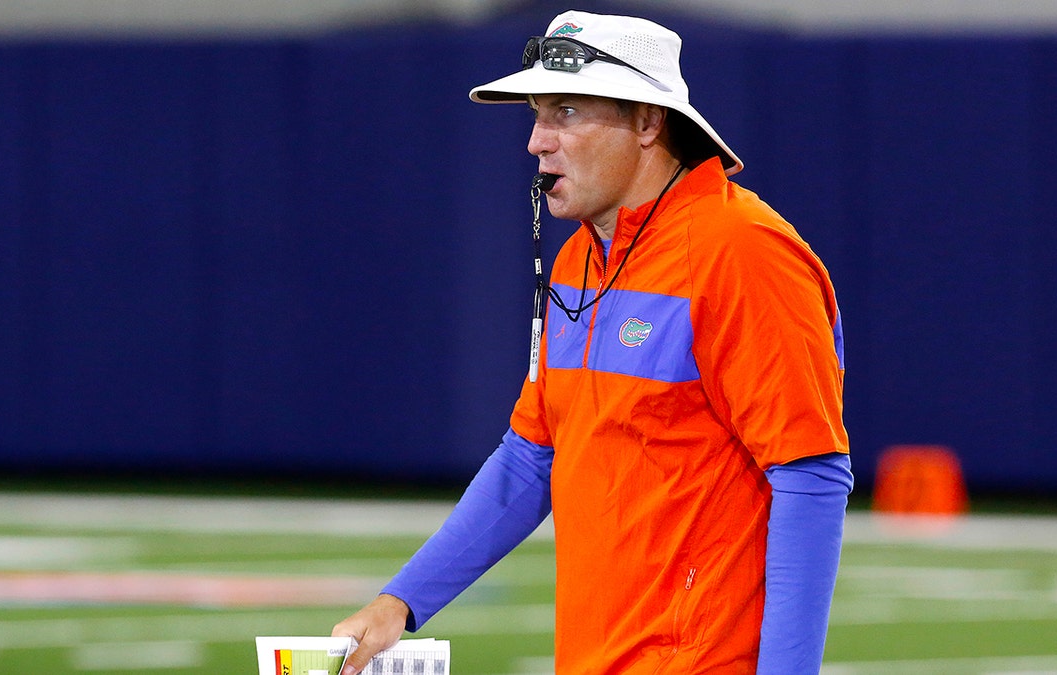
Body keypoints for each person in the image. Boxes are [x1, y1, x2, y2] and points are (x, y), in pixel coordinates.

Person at [332, 10, 851, 675]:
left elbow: (809, 471)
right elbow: (530, 457)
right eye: (537, 113)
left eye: (568, 111)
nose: (537, 141)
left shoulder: (744, 253)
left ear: (647, 121)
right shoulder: (580, 258)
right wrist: (399, 602)